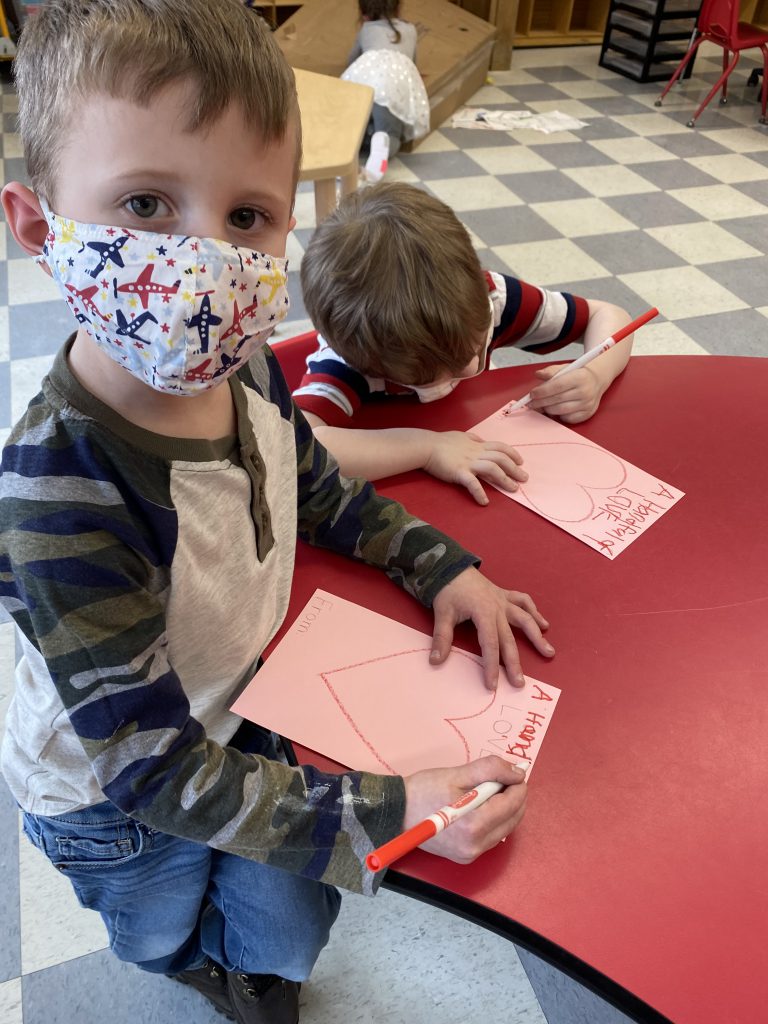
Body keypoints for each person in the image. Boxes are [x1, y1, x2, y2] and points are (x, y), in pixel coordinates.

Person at [0, 3, 554, 1023]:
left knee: (291, 923)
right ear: (41, 226)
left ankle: (258, 973)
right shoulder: (56, 487)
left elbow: (315, 482)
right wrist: (395, 809)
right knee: (161, 927)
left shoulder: (242, 358)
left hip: (248, 710)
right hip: (113, 800)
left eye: (246, 217)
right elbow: (154, 770)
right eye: (145, 203)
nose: (204, 264)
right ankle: (199, 969)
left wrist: (442, 566)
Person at [296, 181, 635, 507]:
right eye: (431, 377)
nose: (473, 367)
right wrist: (426, 448)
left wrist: (595, 375)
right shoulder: (347, 358)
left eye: (473, 351)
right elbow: (300, 448)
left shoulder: (492, 300)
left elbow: (608, 315)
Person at [343, 0, 429, 181]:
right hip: (392, 87)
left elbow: (351, 59)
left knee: (354, 127)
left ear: (364, 11)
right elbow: (413, 62)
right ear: (398, 7)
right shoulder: (411, 30)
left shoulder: (366, 29)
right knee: (390, 133)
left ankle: (347, 154)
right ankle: (382, 142)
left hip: (364, 82)